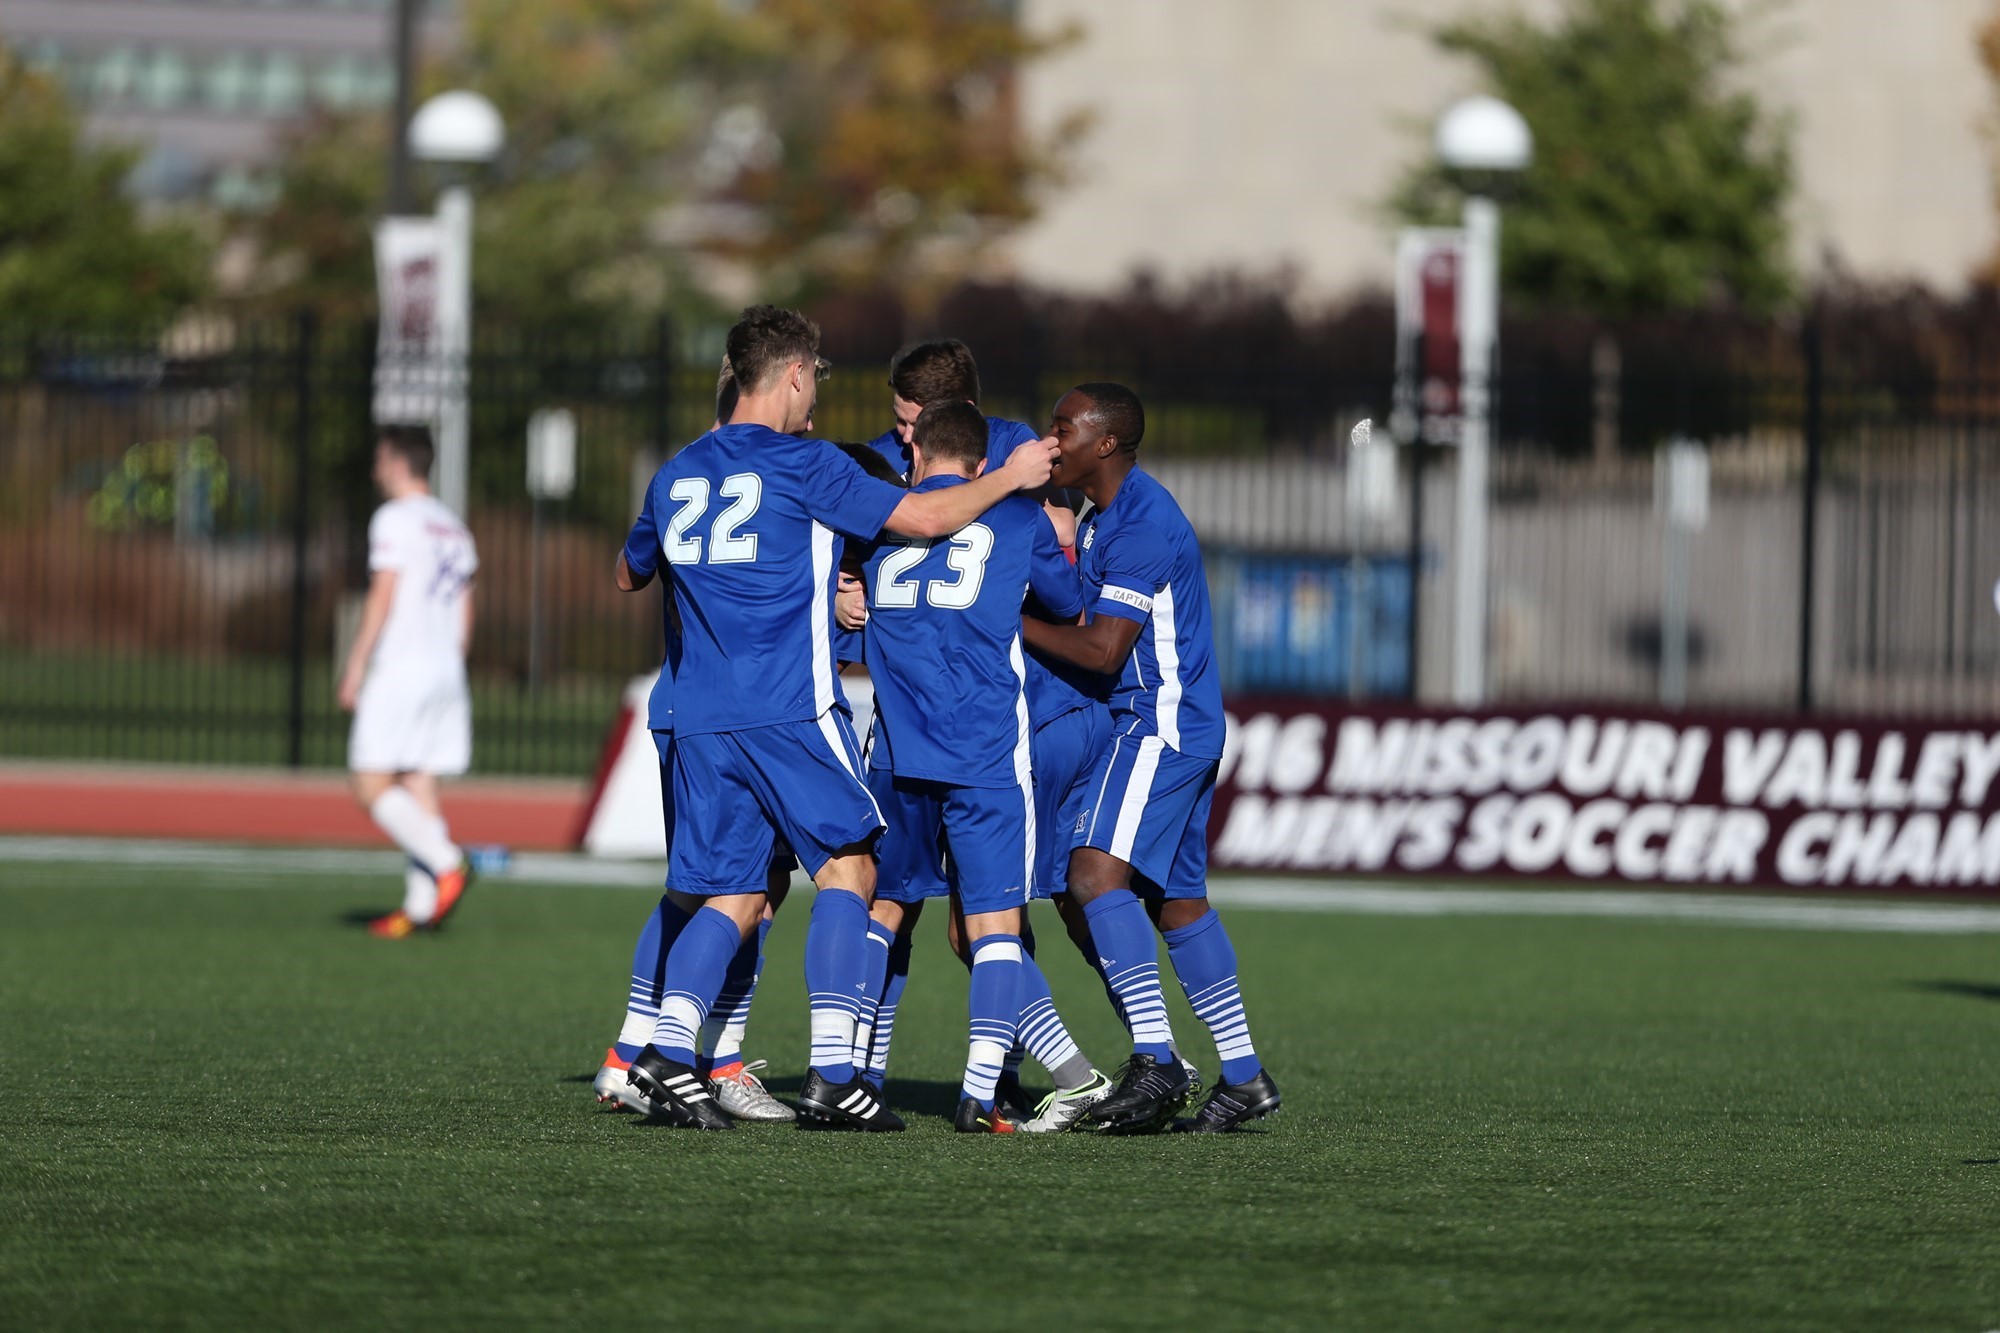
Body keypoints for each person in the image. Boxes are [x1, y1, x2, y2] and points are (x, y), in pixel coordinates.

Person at [620, 305, 1058, 1132]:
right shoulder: (807, 465)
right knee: (852, 869)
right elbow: (925, 518)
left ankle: (666, 1053)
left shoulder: (674, 471)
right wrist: (1013, 474)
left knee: (732, 891)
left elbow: (627, 571)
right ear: (791, 373)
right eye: (815, 376)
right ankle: (832, 1076)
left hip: (702, 716)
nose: (815, 393)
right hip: (786, 708)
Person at [1020, 383, 1282, 1134]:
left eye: (1063, 427)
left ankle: (1157, 1060)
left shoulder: (1138, 522)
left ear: (1105, 443)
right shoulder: (1111, 512)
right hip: (1178, 725)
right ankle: (1244, 1077)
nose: (1052, 438)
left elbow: (1104, 650)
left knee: (1091, 873)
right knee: (1178, 903)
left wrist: (1012, 623)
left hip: (1158, 725)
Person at [855, 400, 1111, 1132]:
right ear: (979, 461)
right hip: (984, 752)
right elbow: (1067, 603)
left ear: (917, 456)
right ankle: (977, 1092)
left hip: (898, 751)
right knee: (994, 924)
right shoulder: (1018, 517)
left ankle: (844, 1070)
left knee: (884, 909)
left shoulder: (881, 517)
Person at [594, 361, 793, 1122]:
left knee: (703, 885)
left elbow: (625, 572)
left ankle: (641, 1053)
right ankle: (686, 1057)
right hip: (743, 712)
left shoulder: (678, 470)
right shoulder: (777, 468)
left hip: (685, 706)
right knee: (743, 890)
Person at [338, 425, 478, 940]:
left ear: (398, 462)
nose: (375, 469)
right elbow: (466, 609)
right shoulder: (453, 526)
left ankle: (448, 861)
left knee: (368, 781)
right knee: (419, 782)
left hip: (404, 665)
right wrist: (451, 662)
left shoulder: (394, 518)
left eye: (380, 459)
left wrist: (355, 664)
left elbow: (383, 595)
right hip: (445, 666)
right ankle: (422, 907)